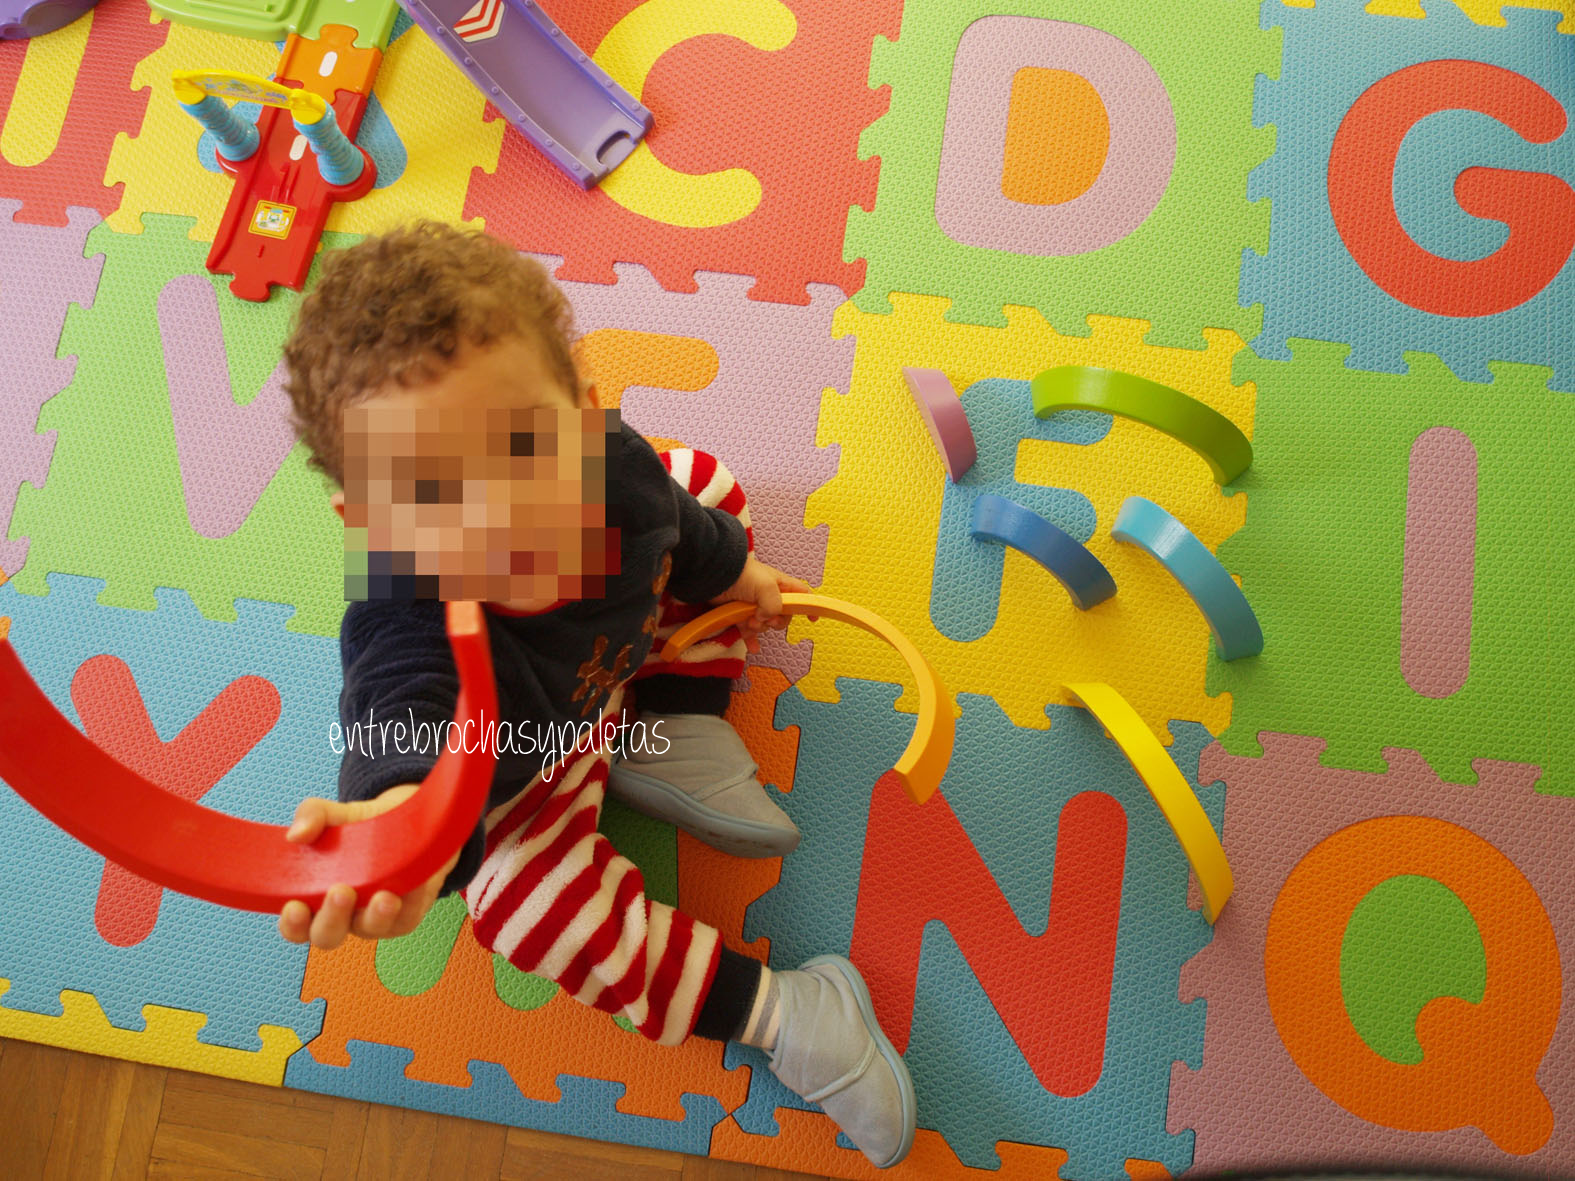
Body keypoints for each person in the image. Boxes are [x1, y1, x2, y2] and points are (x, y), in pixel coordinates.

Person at [274, 223, 915, 1167]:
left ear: (585, 412)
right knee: (525, 913)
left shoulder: (616, 469)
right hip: (524, 782)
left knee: (705, 489)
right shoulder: (404, 618)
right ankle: (785, 1012)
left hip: (623, 665)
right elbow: (400, 724)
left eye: (525, 447)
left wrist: (736, 574)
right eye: (436, 494)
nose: (505, 514)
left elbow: (681, 524)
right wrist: (409, 832)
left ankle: (675, 722)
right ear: (372, 524)